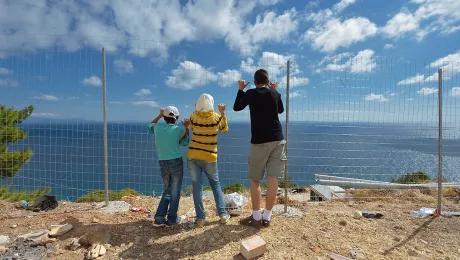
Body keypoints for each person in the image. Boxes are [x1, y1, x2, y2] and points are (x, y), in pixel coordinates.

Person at [233, 69, 286, 228]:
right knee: (273, 179)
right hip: (278, 139)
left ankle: (256, 217)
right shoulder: (274, 94)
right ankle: (267, 217)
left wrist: (240, 90)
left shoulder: (250, 93)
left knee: (255, 179)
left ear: (255, 82)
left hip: (259, 141)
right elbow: (280, 110)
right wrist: (275, 90)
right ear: (268, 81)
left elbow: (237, 107)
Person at [187, 93, 230, 228]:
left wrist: (196, 110)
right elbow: (224, 129)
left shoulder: (193, 116)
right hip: (210, 157)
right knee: (215, 185)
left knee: (197, 187)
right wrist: (222, 113)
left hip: (193, 155)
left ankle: (200, 219)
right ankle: (222, 214)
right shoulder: (216, 118)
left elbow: (192, 128)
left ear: (198, 104)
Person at [148, 106, 190, 227]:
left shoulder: (157, 128)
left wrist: (159, 115)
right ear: (177, 118)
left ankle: (159, 218)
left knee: (167, 189)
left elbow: (149, 126)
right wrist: (186, 128)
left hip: (163, 162)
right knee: (175, 191)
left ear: (164, 117)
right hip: (176, 161)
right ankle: (172, 219)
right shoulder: (178, 130)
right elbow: (185, 142)